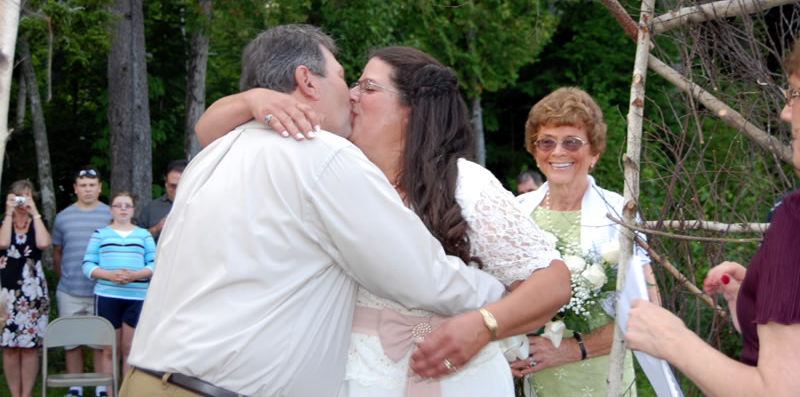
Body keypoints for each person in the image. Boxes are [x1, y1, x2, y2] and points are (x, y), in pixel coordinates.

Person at [121, 24, 519, 397]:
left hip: (144, 380)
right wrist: (506, 300)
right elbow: (420, 277)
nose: (351, 95)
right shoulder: (322, 155)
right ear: (306, 80)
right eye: (346, 78)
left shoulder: (215, 153)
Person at [195, 45, 570, 395]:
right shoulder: (329, 171)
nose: (353, 95)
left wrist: (484, 324)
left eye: (369, 87)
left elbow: (552, 283)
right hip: (350, 377)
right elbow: (212, 134)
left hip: (457, 380)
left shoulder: (465, 184)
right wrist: (251, 99)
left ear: (412, 110)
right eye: (354, 84)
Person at [624, 43, 800, 396]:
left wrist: (671, 340)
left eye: (795, 94)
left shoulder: (794, 220)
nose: (785, 111)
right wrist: (756, 294)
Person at [509, 87, 660, 396]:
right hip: (536, 377)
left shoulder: (620, 213)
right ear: (534, 151)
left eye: (572, 142)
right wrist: (507, 347)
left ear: (595, 153)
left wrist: (571, 349)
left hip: (602, 376)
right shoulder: (516, 212)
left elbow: (649, 310)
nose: (558, 152)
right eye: (546, 142)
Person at [83, 191, 155, 394]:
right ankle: (108, 391)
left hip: (136, 297)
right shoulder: (100, 234)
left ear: (133, 210)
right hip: (107, 295)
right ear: (111, 209)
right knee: (109, 349)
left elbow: (155, 263)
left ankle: (127, 392)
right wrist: (108, 275)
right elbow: (87, 265)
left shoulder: (144, 235)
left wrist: (136, 275)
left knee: (129, 349)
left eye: (127, 205)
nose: (123, 209)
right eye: (118, 205)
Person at [52, 167, 112, 397]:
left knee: (99, 341)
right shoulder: (63, 216)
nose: (88, 189)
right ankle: (74, 387)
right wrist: (63, 276)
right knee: (72, 341)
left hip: (100, 289)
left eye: (92, 185)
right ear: (75, 189)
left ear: (99, 188)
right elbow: (57, 252)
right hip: (69, 290)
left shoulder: (109, 215)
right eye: (83, 185)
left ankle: (100, 388)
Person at [0, 180, 50, 397]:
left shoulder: (39, 221)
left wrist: (35, 213)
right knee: (9, 346)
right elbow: (2, 244)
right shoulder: (3, 222)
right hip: (6, 292)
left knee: (29, 346)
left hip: (33, 291)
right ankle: (14, 393)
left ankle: (27, 394)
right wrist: (8, 214)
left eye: (26, 196)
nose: (22, 201)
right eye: (18, 196)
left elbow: (43, 243)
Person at [135, 160, 186, 242]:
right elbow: (136, 241)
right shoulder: (151, 208)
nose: (176, 190)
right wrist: (157, 228)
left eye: (181, 186)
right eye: (173, 186)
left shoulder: (198, 207)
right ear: (166, 182)